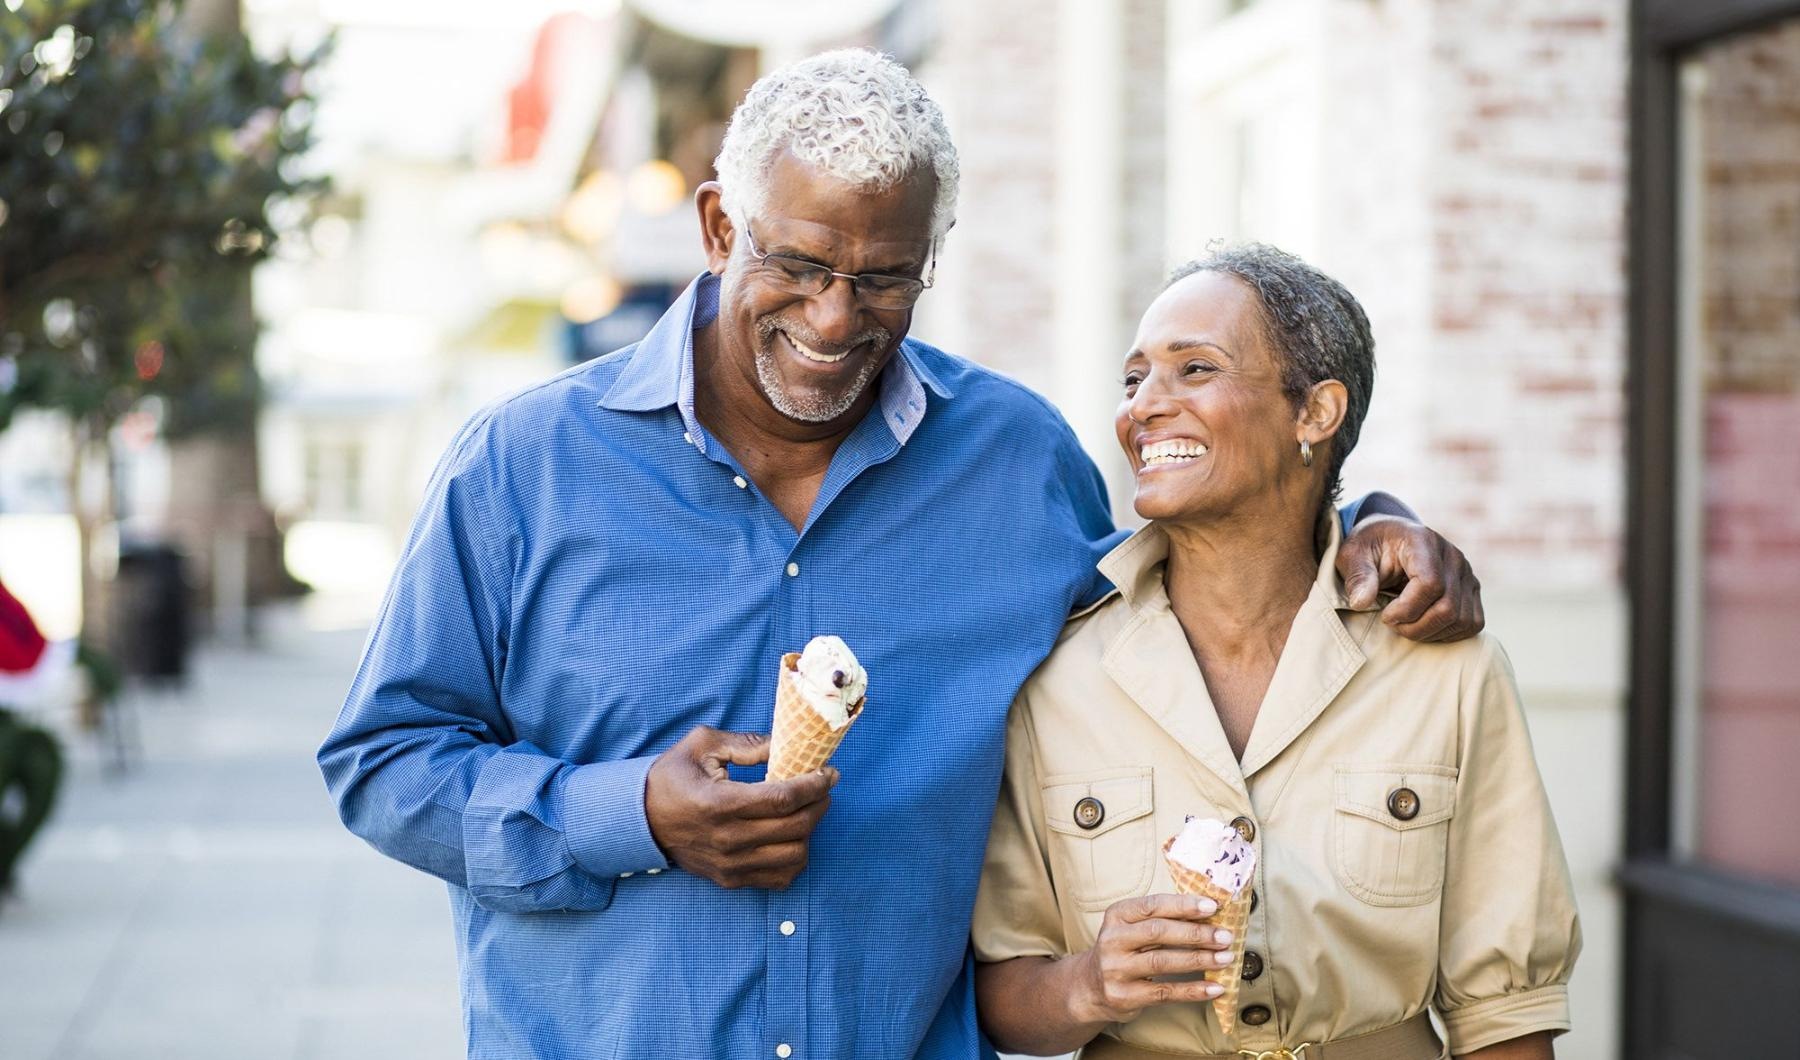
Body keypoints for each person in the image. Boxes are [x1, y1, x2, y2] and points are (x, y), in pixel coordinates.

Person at [318, 51, 1485, 1058]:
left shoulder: (1016, 463)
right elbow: (382, 760)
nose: (835, 319)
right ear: (720, 228)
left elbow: (1197, 582)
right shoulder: (526, 465)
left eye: (883, 277)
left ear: (932, 257)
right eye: (799, 265)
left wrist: (1362, 513)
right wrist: (625, 812)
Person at [971, 245, 1579, 1059]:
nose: (1144, 406)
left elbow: (1508, 1018)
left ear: (1316, 413)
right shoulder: (1056, 679)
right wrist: (1090, 982)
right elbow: (1004, 990)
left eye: (1194, 369)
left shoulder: (1449, 672)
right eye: (1134, 379)